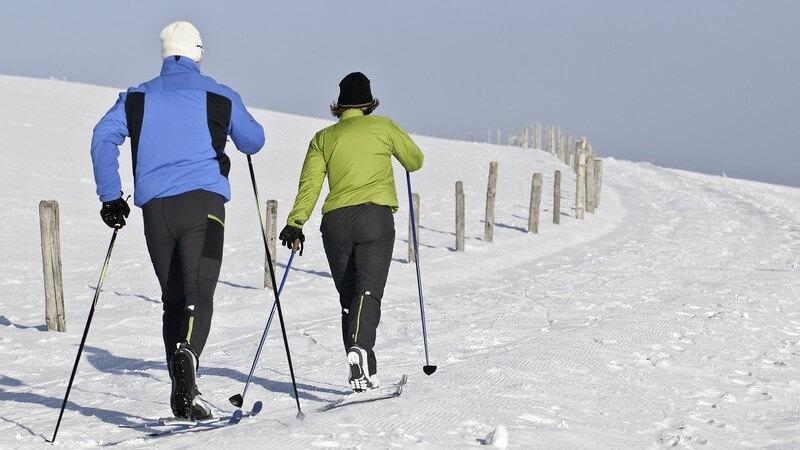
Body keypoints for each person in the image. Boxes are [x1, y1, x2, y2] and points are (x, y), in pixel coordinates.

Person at [90, 21, 265, 419]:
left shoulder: (137, 98)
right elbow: (253, 140)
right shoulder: (218, 94)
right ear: (199, 52)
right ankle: (188, 357)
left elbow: (102, 136)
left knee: (172, 302)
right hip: (203, 204)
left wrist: (111, 198)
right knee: (197, 294)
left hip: (156, 212)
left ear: (165, 54)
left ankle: (183, 394)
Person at [279, 72, 424, 392]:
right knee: (368, 292)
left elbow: (310, 185)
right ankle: (360, 349)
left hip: (335, 225)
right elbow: (415, 161)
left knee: (349, 299)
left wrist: (296, 222)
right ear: (369, 103)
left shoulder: (323, 138)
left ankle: (364, 369)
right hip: (375, 219)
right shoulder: (383, 126)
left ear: (339, 106)